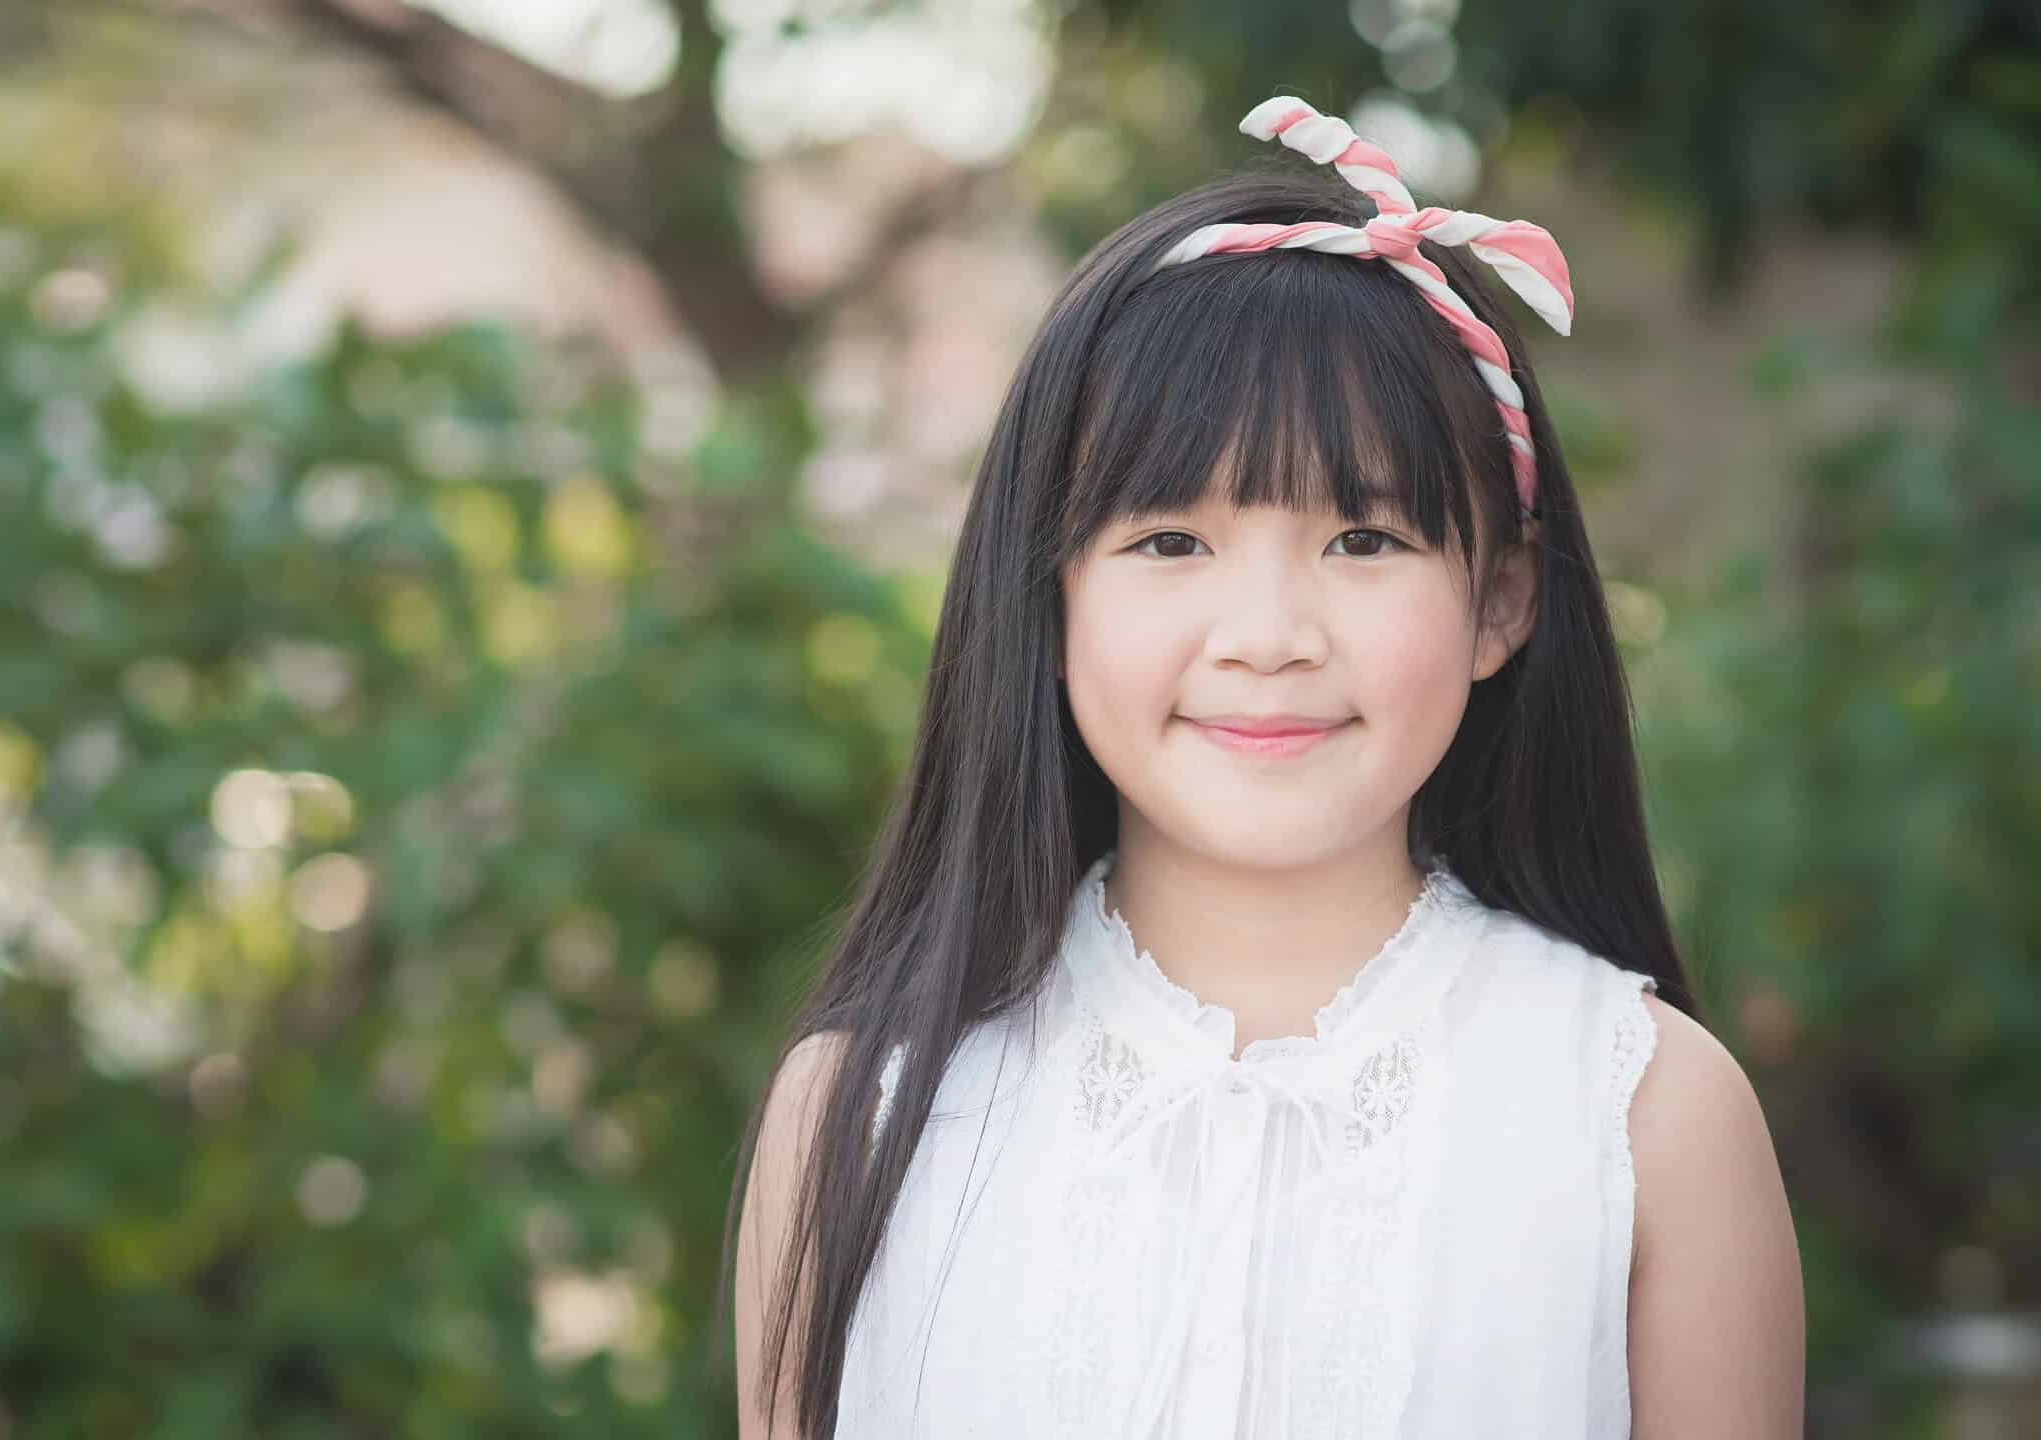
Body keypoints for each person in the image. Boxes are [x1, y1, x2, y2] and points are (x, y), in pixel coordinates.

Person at [721, 94, 1804, 1439]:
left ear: (1502, 604)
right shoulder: (859, 1113)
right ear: (1044, 596)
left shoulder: (1648, 1116)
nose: (1270, 640)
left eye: (1365, 540)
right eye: (1171, 542)